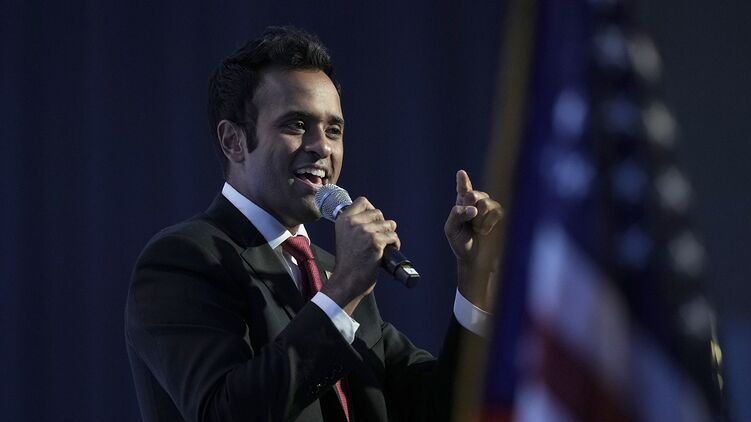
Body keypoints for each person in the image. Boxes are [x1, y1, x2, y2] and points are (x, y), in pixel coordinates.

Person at [125, 26, 503, 422]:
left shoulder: (333, 272)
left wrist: (475, 281)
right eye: (296, 124)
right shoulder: (183, 260)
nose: (322, 146)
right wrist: (342, 292)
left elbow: (443, 409)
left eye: (333, 130)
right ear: (233, 141)